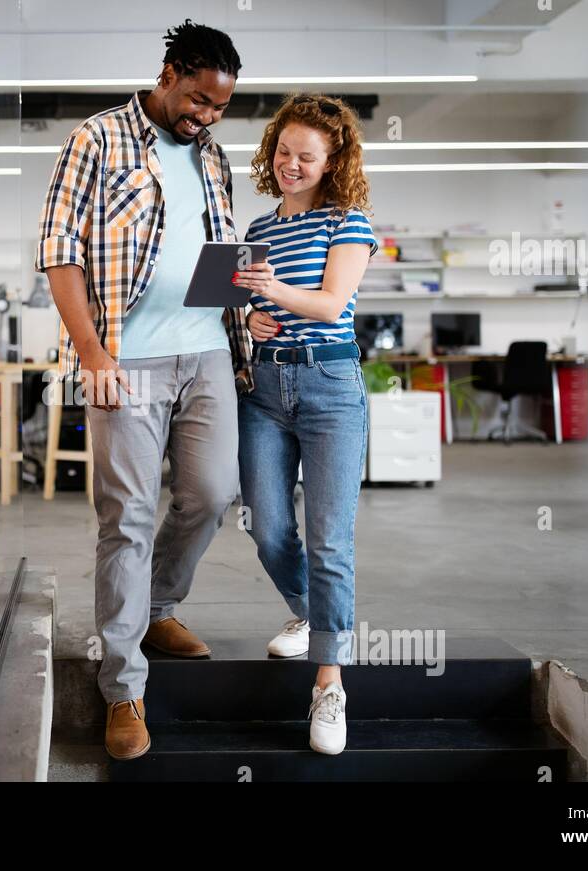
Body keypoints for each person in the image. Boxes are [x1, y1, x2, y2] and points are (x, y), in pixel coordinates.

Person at [36, 19, 251, 761]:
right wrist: (91, 350)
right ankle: (124, 686)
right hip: (126, 358)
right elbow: (59, 250)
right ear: (168, 73)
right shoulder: (96, 140)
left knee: (213, 491)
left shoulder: (213, 157)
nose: (206, 117)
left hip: (208, 352)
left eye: (219, 107)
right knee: (124, 514)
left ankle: (158, 605)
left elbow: (216, 251)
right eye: (197, 100)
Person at [230, 94, 377, 755]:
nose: (292, 164)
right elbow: (250, 306)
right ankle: (319, 615)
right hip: (264, 385)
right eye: (284, 151)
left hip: (330, 385)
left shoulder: (346, 222)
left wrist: (269, 294)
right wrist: (248, 317)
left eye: (307, 156)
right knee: (266, 523)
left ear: (332, 160)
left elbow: (330, 303)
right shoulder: (258, 228)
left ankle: (328, 680)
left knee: (329, 540)